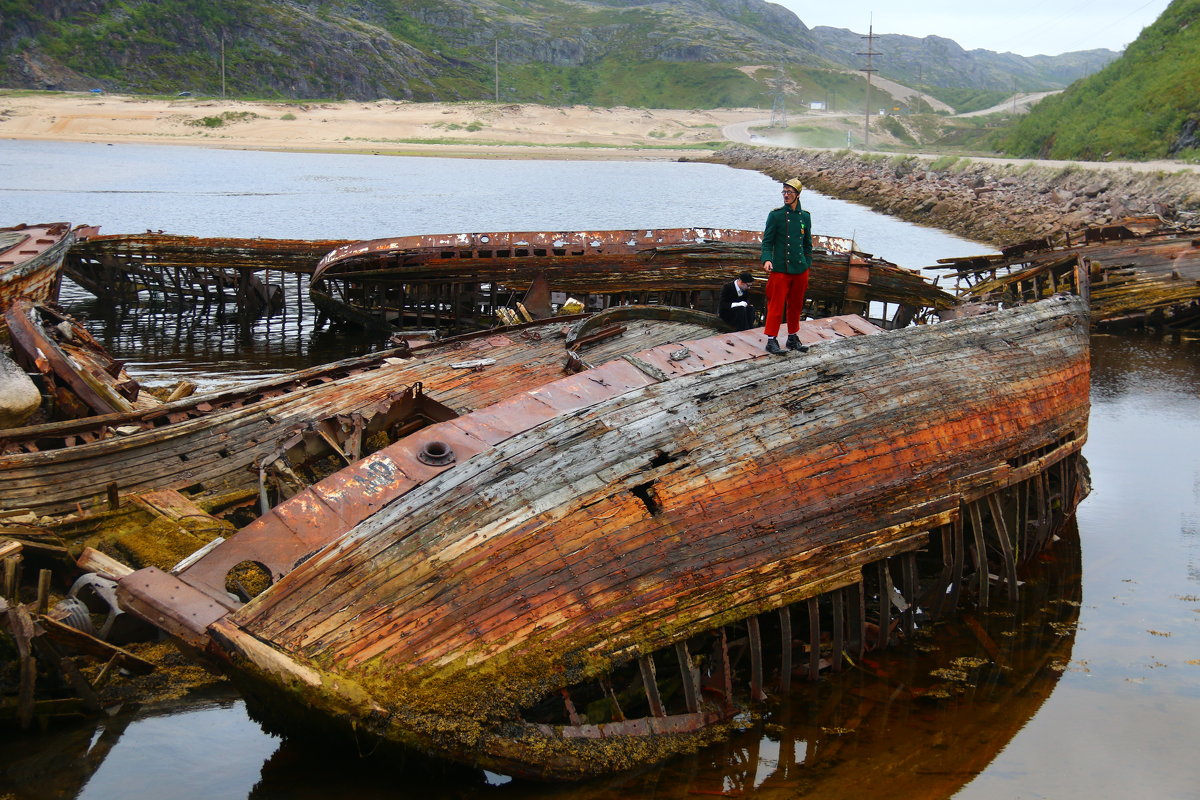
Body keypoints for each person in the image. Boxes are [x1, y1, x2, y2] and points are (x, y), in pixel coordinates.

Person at [760, 177, 813, 354]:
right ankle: (771, 339)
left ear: (797, 194)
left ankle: (792, 337)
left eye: (789, 192)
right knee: (776, 305)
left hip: (800, 269)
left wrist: (807, 264)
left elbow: (807, 245)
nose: (786, 195)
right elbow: (767, 242)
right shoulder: (775, 216)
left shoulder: (805, 216)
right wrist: (767, 259)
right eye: (784, 192)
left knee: (796, 305)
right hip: (781, 269)